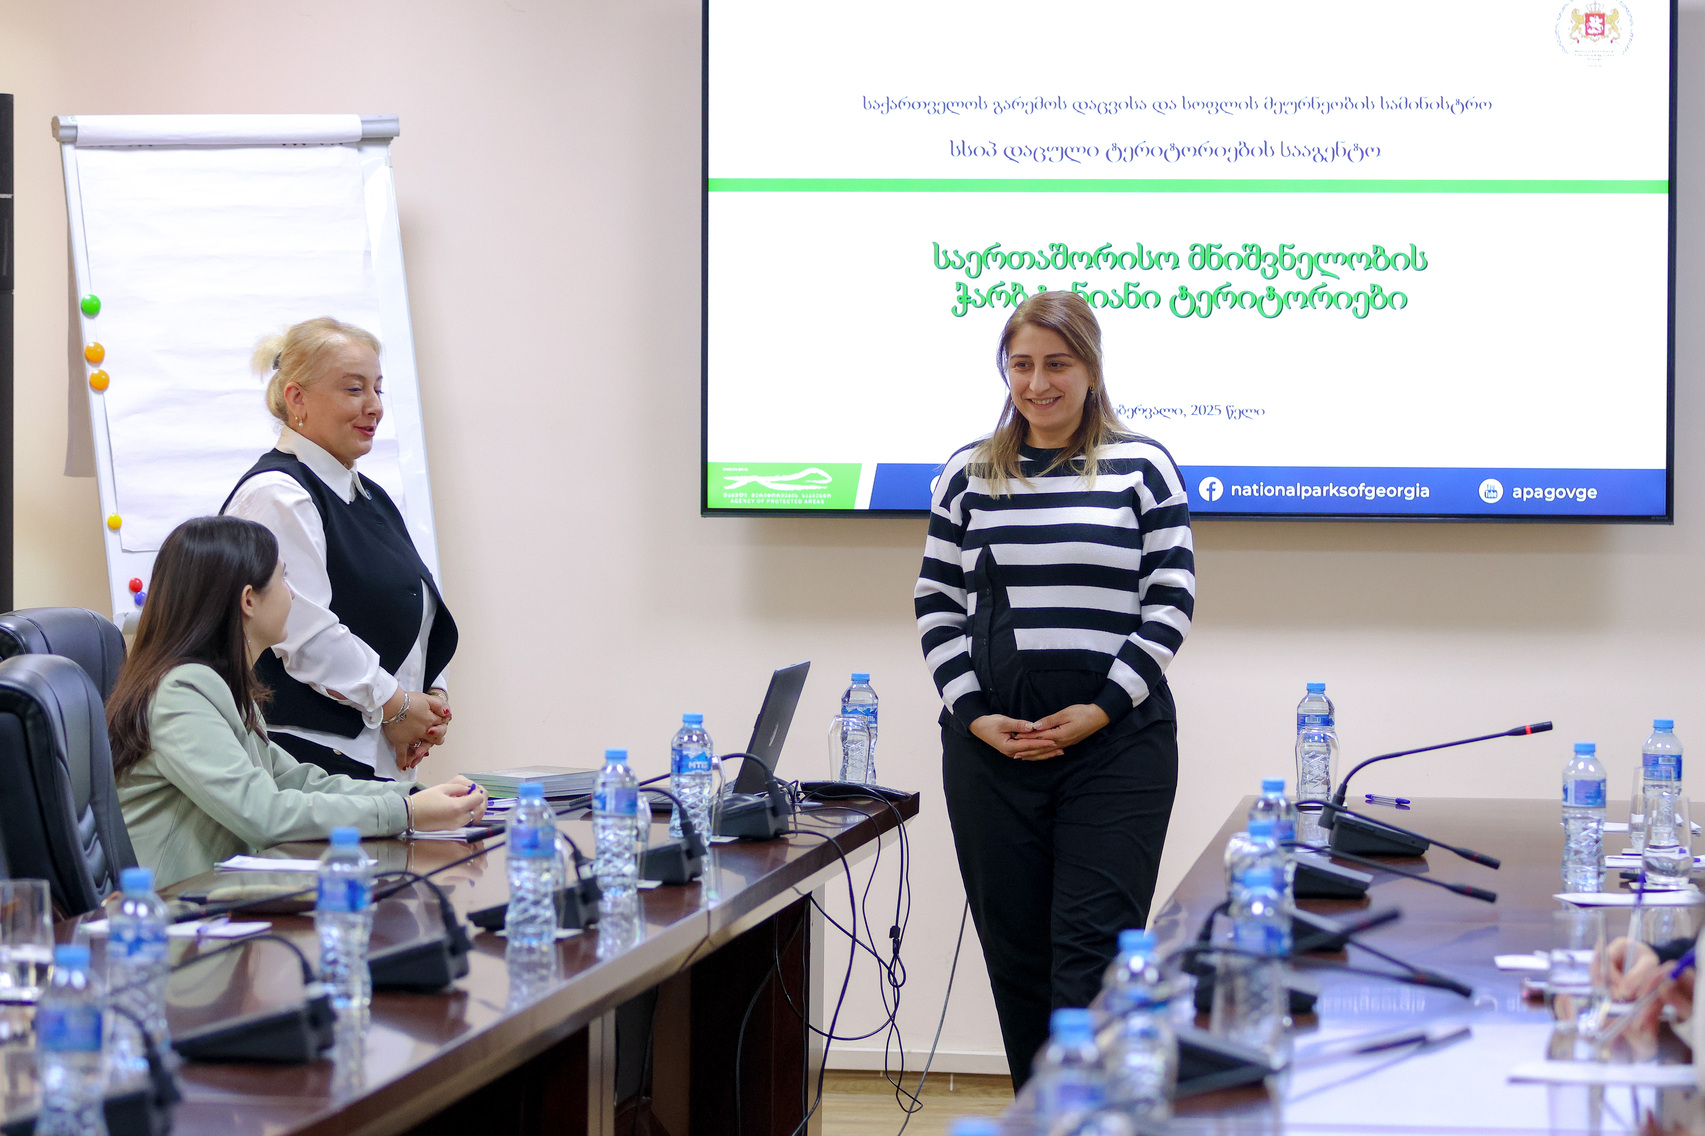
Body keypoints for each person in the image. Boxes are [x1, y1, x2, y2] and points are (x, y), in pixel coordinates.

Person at [913, 290, 1195, 1088]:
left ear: (1090, 369)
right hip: (990, 752)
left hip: (1117, 747)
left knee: (1092, 961)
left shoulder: (1142, 466)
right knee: (1018, 963)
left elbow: (1170, 601)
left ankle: (1094, 1120)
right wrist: (974, 715)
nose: (1037, 383)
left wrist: (1100, 710)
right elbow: (935, 602)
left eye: (1056, 364)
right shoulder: (968, 473)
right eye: (1021, 364)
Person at [110, 516, 488, 887]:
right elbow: (264, 814)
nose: (291, 593)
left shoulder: (218, 687)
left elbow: (300, 783)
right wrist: (407, 812)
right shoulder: (181, 693)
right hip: (170, 916)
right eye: (282, 578)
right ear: (248, 601)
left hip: (218, 902)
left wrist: (415, 796)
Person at [222, 317, 455, 781]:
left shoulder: (368, 495)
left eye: (378, 389)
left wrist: (429, 701)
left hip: (371, 757)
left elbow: (410, 609)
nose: (375, 407)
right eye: (354, 389)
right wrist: (397, 705)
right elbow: (306, 634)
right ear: (298, 399)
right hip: (305, 764)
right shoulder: (278, 495)